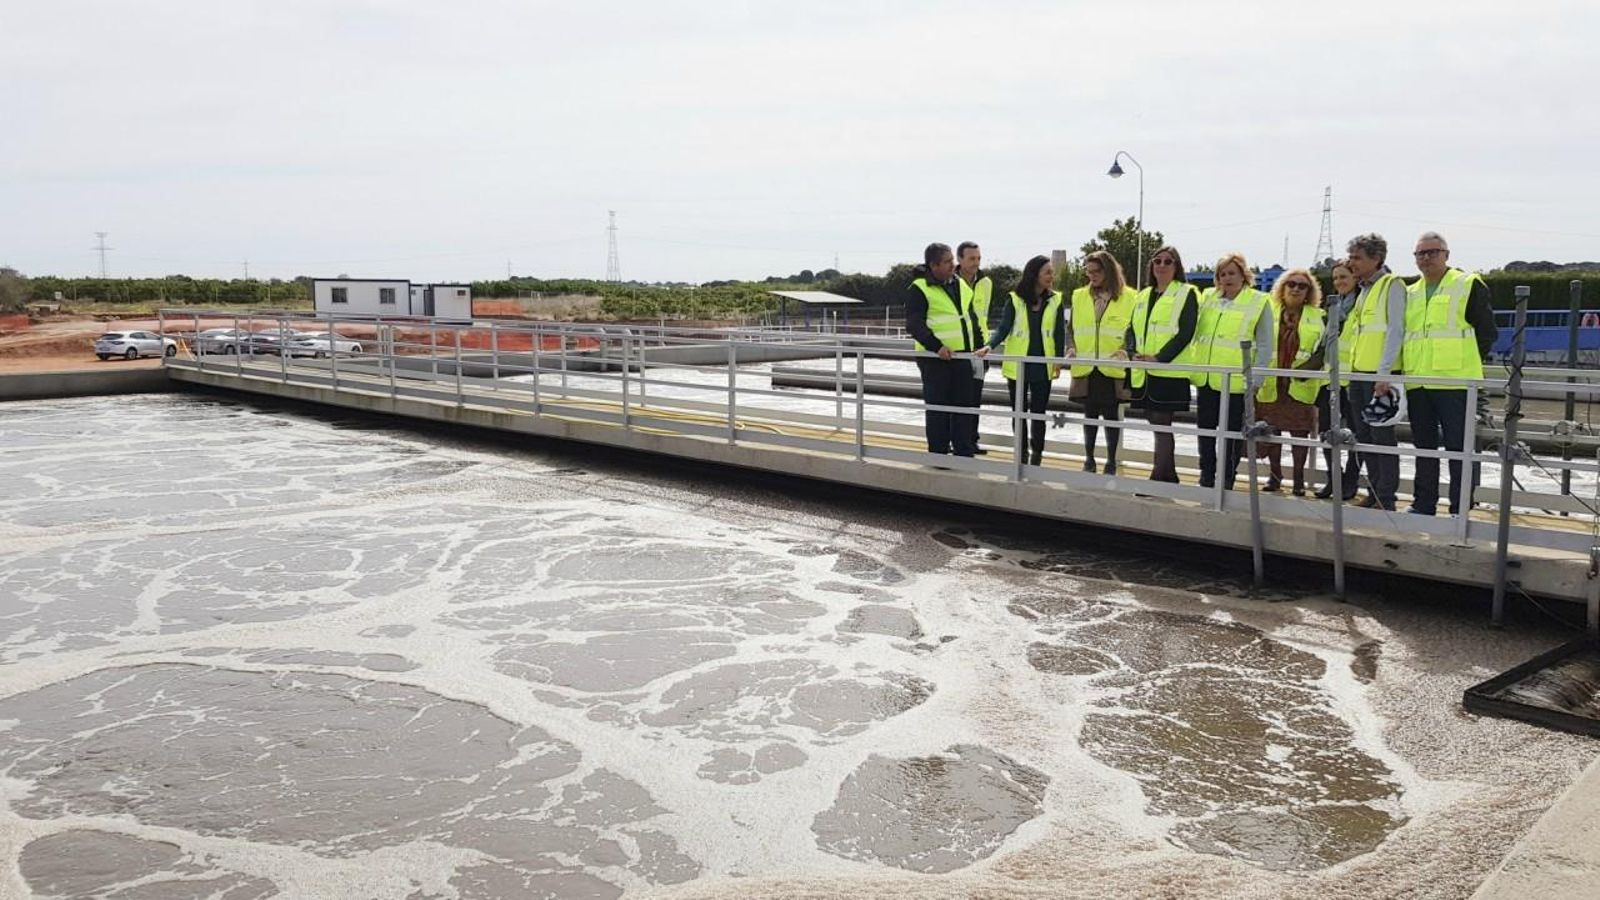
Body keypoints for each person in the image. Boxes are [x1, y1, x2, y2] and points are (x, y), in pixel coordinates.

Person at [1403, 231, 1497, 516]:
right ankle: (1423, 504)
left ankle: (1460, 507)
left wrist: (1463, 361)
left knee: (1460, 447)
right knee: (1424, 448)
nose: (1426, 258)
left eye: (1433, 252)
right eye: (1421, 253)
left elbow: (1487, 332)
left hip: (1456, 382)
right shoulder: (1410, 292)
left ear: (1446, 254)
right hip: (1418, 382)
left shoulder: (1467, 284)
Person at [1190, 253, 1275, 489]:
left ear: (1243, 275)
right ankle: (1206, 474)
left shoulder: (1258, 301)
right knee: (1205, 430)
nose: (1227, 278)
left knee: (1231, 434)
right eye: (1222, 274)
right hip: (1206, 378)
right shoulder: (1208, 297)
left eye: (1231, 273)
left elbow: (1267, 344)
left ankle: (1227, 477)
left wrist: (1257, 379)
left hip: (1236, 381)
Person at [1341, 233, 1408, 510]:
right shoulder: (1364, 290)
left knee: (1383, 438)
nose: (1351, 263)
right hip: (1359, 373)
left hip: (1379, 376)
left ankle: (1386, 497)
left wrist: (1385, 374)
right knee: (1365, 436)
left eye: (1357, 258)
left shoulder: (1392, 285)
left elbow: (1395, 331)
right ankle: (1374, 492)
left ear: (1376, 258)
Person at [977, 255, 1065, 465]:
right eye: (1048, 272)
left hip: (1043, 365)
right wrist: (990, 345)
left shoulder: (1056, 300)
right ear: (1035, 274)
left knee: (1039, 412)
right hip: (1018, 365)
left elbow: (1059, 333)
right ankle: (1021, 452)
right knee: (1019, 412)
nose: (1051, 277)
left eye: (1051, 272)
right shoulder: (1015, 299)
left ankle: (1037, 454)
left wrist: (1059, 360)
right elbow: (1004, 327)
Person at [1127, 245, 1200, 483]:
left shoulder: (1186, 293)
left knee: (1162, 422)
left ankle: (1158, 476)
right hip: (1144, 371)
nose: (1161, 265)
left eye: (1168, 261)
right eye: (1157, 261)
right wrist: (1131, 351)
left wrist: (1160, 357)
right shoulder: (1143, 295)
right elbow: (1133, 328)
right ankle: (1170, 474)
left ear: (1176, 266)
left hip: (1168, 371)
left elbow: (1186, 332)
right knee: (1153, 420)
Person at [906, 242, 982, 458]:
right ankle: (938, 454)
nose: (953, 265)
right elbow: (914, 324)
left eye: (952, 260)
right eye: (948, 261)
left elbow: (970, 317)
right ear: (934, 265)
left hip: (963, 356)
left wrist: (979, 344)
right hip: (934, 358)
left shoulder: (959, 284)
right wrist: (936, 346)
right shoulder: (919, 288)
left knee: (964, 406)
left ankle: (963, 451)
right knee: (938, 407)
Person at [1066, 251, 1137, 474]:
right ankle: (1089, 459)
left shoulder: (1130, 297)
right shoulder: (1079, 295)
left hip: (1112, 366)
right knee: (1089, 414)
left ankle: (1111, 460)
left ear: (1109, 271)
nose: (1092, 276)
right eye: (1089, 272)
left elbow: (1134, 330)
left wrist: (1127, 350)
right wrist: (1071, 347)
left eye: (1097, 271)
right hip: (1087, 364)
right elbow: (1071, 328)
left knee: (1111, 415)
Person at [1256, 269, 1326, 495]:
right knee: (1271, 432)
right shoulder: (1269, 311)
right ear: (1282, 288)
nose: (1296, 289)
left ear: (1309, 292)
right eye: (1291, 284)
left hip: (1300, 382)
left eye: (1302, 286)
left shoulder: (1318, 316)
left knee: (1300, 434)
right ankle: (1275, 477)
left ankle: (1298, 481)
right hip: (1272, 382)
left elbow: (1323, 349)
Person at [1313, 260, 1363, 500]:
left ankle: (1351, 481)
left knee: (1356, 433)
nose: (1339, 282)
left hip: (1353, 379)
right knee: (1325, 431)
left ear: (1355, 278)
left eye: (1343, 277)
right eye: (1335, 278)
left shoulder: (1362, 305)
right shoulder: (1332, 306)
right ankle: (1334, 478)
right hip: (1330, 380)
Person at [957, 241, 994, 455]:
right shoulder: (950, 282)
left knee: (975, 396)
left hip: (979, 348)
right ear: (959, 260)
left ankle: (972, 440)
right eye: (971, 258)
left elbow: (982, 316)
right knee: (957, 397)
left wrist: (986, 344)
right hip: (959, 347)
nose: (976, 263)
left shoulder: (986, 282)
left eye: (978, 258)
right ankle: (958, 441)